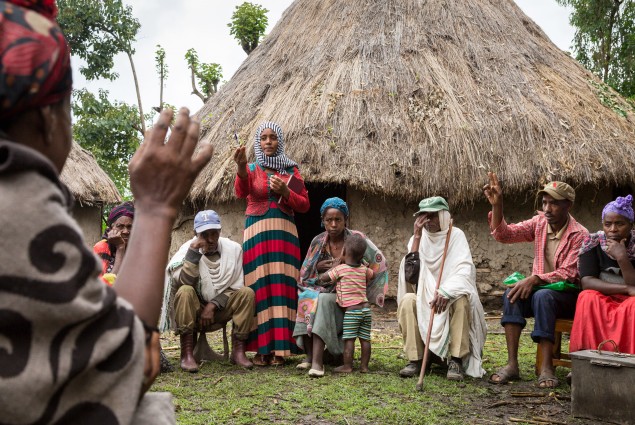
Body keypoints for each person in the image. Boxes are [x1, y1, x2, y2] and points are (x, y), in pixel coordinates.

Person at [0, 1, 213, 421]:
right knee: (149, 414)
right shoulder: (20, 207)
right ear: (48, 117)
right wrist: (154, 208)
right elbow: (127, 362)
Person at [484, 173, 588, 388]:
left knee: (543, 295)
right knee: (511, 295)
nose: (547, 209)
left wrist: (534, 279)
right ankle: (512, 365)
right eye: (545, 203)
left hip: (568, 297)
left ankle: (547, 367)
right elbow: (505, 235)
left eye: (554, 204)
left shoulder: (580, 234)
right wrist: (498, 205)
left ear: (568, 205)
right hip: (542, 289)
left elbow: (569, 273)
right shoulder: (540, 223)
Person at [233, 121, 310, 366]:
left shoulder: (290, 171)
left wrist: (287, 193)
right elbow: (240, 191)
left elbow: (305, 204)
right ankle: (261, 349)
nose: (268, 141)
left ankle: (281, 349)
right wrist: (241, 167)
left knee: (282, 285)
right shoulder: (252, 168)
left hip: (284, 235)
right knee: (258, 286)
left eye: (273, 137)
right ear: (258, 142)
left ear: (280, 142)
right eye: (264, 138)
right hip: (256, 234)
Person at [293, 197, 389, 377]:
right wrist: (317, 268)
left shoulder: (356, 239)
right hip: (321, 290)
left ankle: (317, 363)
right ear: (323, 221)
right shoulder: (317, 242)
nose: (334, 224)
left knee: (322, 300)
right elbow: (305, 273)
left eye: (338, 219)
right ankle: (310, 356)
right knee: (306, 297)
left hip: (349, 298)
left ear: (346, 220)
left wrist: (359, 276)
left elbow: (379, 263)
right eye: (329, 220)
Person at [397, 196, 487, 381]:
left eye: (434, 216)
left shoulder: (456, 235)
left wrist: (446, 291)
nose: (429, 221)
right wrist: (416, 236)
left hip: (449, 296)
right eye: (425, 216)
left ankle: (456, 359)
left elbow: (464, 271)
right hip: (425, 297)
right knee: (407, 301)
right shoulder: (418, 239)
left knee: (462, 300)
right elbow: (411, 276)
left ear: (445, 216)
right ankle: (416, 359)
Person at [160, 210, 255, 372]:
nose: (210, 239)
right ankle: (187, 354)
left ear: (220, 231)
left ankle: (238, 352)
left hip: (220, 310)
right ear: (195, 234)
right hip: (194, 312)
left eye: (214, 233)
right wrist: (193, 253)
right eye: (204, 234)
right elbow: (185, 282)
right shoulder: (186, 251)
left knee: (246, 293)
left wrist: (213, 305)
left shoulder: (234, 249)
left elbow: (236, 286)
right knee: (185, 291)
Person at [570, 195, 635, 354]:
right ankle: (585, 359)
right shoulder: (593, 242)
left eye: (620, 224)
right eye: (608, 224)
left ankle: (627, 362)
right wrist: (626, 288)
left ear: (631, 225)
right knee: (587, 297)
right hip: (603, 297)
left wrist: (622, 258)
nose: (613, 229)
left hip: (629, 301)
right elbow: (587, 282)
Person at [318, 234, 374, 374]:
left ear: (343, 252)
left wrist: (331, 268)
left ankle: (347, 366)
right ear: (361, 257)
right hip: (366, 310)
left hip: (352, 311)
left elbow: (323, 279)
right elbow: (372, 274)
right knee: (365, 339)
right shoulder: (364, 270)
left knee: (349, 340)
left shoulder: (340, 269)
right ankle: (364, 367)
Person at [94, 201, 135, 285]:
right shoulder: (102, 248)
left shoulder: (139, 248)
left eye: (129, 226)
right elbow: (102, 288)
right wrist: (120, 248)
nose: (126, 231)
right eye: (120, 226)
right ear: (111, 228)